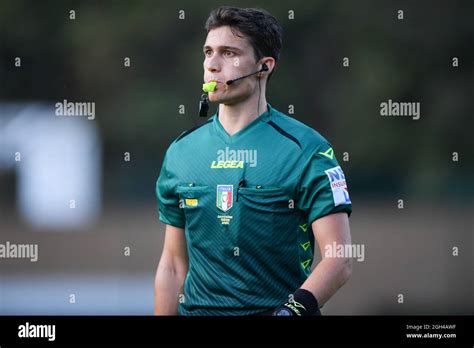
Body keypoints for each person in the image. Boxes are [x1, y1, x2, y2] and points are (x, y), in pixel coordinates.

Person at [154, 6, 352, 316]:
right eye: (208, 52)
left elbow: (339, 258)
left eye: (229, 53)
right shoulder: (180, 153)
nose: (212, 65)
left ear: (264, 66)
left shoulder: (308, 150)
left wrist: (290, 312)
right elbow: (173, 265)